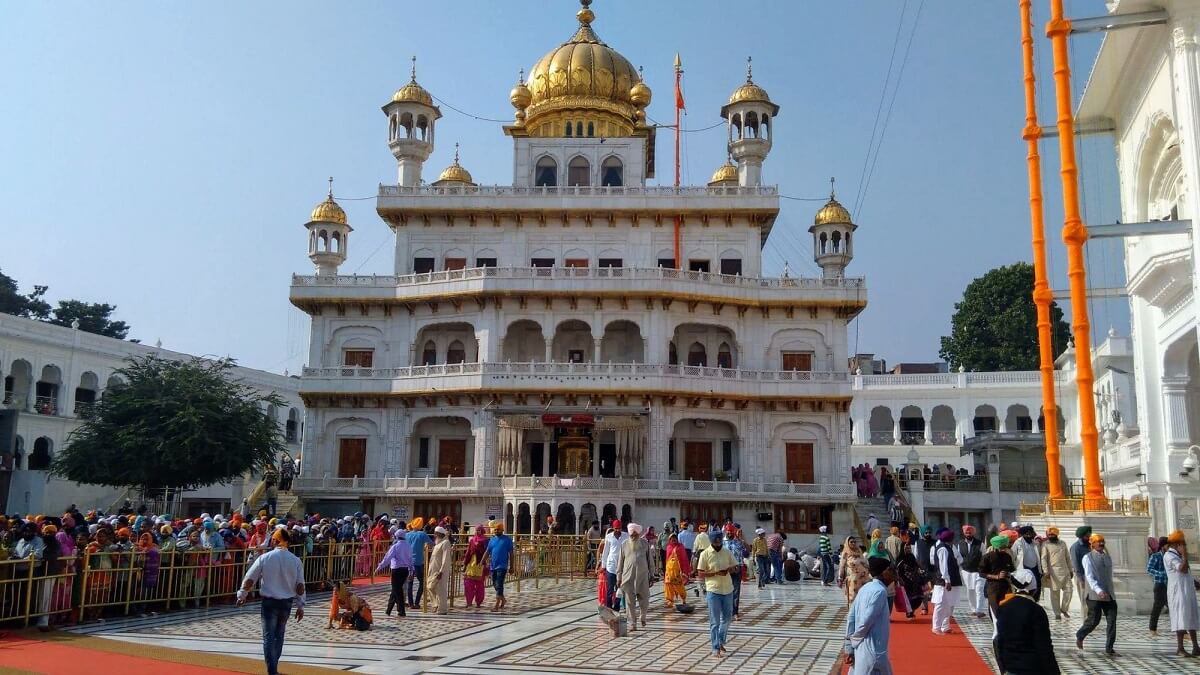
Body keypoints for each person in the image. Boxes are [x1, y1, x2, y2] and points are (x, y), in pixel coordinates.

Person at [236, 529, 306, 675]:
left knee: (268, 636)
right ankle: (274, 667)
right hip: (286, 603)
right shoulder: (295, 560)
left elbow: (250, 578)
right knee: (279, 634)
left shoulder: (265, 558)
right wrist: (300, 605)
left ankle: (272, 669)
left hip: (269, 602)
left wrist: (242, 595)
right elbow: (300, 586)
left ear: (275, 540)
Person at [993, 568, 1060, 675]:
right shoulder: (1036, 610)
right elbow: (1044, 646)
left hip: (1010, 668)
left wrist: (1003, 668)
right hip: (1032, 668)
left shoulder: (1003, 607)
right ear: (1034, 590)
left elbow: (998, 641)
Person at [844, 556, 894, 675]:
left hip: (863, 650)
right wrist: (854, 641)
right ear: (883, 572)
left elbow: (851, 617)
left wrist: (849, 647)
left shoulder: (865, 588)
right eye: (891, 569)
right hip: (873, 652)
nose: (894, 572)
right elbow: (865, 622)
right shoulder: (880, 592)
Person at [1075, 533, 1118, 657]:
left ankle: (1109, 648)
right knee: (1094, 620)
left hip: (1108, 593)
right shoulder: (1087, 557)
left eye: (1102, 541)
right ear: (1092, 544)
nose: (1101, 544)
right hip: (1094, 593)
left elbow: (1109, 575)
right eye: (1098, 542)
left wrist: (1108, 590)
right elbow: (1089, 576)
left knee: (1112, 619)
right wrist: (1099, 590)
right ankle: (1080, 635)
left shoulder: (1107, 557)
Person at [697, 531, 736, 657]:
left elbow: (736, 567)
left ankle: (721, 640)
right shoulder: (705, 554)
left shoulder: (726, 552)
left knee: (727, 618)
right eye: (715, 541)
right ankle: (715, 647)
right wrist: (715, 573)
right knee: (715, 622)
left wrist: (730, 569)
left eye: (720, 541)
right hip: (713, 590)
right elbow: (700, 574)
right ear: (712, 541)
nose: (718, 543)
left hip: (728, 589)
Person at [1163, 530, 1200, 656]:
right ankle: (1180, 648)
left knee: (1192, 616)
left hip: (1187, 590)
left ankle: (1196, 646)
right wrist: (1184, 555)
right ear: (1176, 544)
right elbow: (1182, 569)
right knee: (1181, 617)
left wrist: (1195, 583)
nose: (1185, 546)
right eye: (1183, 544)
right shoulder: (1169, 556)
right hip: (1178, 592)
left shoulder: (1178, 555)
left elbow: (1187, 573)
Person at [615, 523, 652, 631]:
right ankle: (632, 624)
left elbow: (650, 561)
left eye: (635, 535)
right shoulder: (624, 544)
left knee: (644, 599)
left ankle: (643, 616)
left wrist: (652, 575)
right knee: (630, 602)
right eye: (631, 535)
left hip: (643, 576)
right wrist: (618, 577)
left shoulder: (645, 544)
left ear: (639, 534)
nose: (633, 536)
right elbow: (620, 563)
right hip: (628, 577)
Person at [930, 527, 963, 635]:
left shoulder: (948, 547)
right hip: (943, 581)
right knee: (940, 603)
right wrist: (947, 580)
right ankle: (936, 626)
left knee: (948, 603)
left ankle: (944, 626)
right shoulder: (943, 549)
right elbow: (943, 566)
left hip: (949, 579)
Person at [374, 527, 413, 617]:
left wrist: (379, 568)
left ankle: (401, 610)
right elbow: (411, 560)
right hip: (405, 570)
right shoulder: (408, 546)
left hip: (397, 570)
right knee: (395, 590)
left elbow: (387, 558)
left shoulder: (395, 546)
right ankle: (389, 609)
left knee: (397, 590)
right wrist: (411, 571)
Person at [1039, 527, 1073, 621]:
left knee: (1069, 590)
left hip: (1065, 571)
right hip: (1053, 572)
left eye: (1052, 535)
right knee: (1055, 594)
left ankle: (1064, 609)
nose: (1050, 536)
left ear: (1056, 535)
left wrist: (1070, 570)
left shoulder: (1063, 543)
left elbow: (1067, 557)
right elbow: (1044, 559)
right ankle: (1057, 613)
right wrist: (1046, 571)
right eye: (1049, 535)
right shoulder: (1045, 545)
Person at [979, 534, 1015, 619]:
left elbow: (1012, 569)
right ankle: (997, 629)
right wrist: (996, 577)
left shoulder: (1007, 556)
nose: (1004, 549)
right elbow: (981, 573)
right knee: (995, 610)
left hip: (1006, 586)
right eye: (1001, 547)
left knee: (1007, 609)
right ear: (996, 546)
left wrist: (1008, 573)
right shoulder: (987, 557)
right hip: (993, 586)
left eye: (1004, 547)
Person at [484, 521, 513, 612]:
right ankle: (503, 599)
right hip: (493, 566)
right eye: (495, 530)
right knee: (495, 584)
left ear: (502, 530)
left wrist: (512, 566)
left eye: (498, 529)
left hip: (502, 566)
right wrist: (482, 561)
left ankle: (497, 604)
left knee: (499, 584)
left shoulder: (507, 540)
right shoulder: (492, 540)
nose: (496, 531)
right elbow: (487, 552)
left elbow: (511, 554)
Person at [895, 542, 928, 619]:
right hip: (905, 581)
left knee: (918, 598)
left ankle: (912, 611)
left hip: (915, 581)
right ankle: (909, 612)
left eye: (909, 548)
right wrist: (899, 579)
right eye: (906, 548)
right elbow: (897, 569)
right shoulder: (900, 558)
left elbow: (917, 565)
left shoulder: (912, 556)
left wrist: (921, 569)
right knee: (908, 598)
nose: (908, 549)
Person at [958, 524, 985, 618]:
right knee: (970, 591)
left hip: (978, 571)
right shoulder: (960, 543)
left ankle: (979, 610)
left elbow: (984, 557)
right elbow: (959, 557)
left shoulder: (980, 544)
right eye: (966, 532)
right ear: (964, 533)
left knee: (979, 590)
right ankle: (973, 609)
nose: (968, 534)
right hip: (966, 571)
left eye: (970, 532)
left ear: (973, 533)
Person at [1011, 526, 1042, 602]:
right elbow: (1013, 555)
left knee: (1037, 585)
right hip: (1023, 568)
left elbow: (1039, 556)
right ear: (1023, 534)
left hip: (1034, 568)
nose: (1029, 536)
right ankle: (1023, 601)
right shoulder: (1018, 542)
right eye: (1027, 534)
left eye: (1030, 534)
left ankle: (1034, 601)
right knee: (1023, 586)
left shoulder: (1035, 543)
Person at [405, 522, 432, 609]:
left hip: (408, 562)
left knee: (410, 582)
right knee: (422, 582)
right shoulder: (422, 534)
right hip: (418, 562)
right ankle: (416, 602)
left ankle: (410, 603)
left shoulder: (407, 535)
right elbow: (432, 543)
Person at [838, 536, 871, 605]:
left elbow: (865, 562)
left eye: (854, 542)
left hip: (863, 579)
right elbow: (842, 566)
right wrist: (840, 577)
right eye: (851, 542)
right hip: (853, 580)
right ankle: (853, 614)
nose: (853, 543)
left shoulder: (859, 551)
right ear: (847, 543)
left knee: (862, 598)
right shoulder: (845, 553)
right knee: (853, 598)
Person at [426, 526, 452, 615]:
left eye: (435, 533)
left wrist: (442, 571)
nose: (434, 535)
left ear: (440, 534)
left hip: (440, 571)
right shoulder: (437, 543)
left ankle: (442, 609)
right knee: (430, 586)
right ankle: (435, 604)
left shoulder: (445, 543)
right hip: (433, 570)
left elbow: (446, 559)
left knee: (440, 589)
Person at [462, 524, 489, 611]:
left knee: (479, 585)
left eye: (479, 530)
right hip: (471, 564)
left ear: (482, 531)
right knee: (468, 584)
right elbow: (468, 552)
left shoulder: (485, 541)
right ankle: (469, 602)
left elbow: (487, 552)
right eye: (476, 530)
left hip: (480, 565)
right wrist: (465, 564)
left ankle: (478, 602)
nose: (477, 532)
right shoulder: (472, 540)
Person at [602, 519, 626, 609]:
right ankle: (608, 607)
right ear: (613, 528)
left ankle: (616, 607)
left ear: (621, 528)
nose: (617, 530)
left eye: (619, 528)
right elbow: (605, 552)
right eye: (616, 528)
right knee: (610, 589)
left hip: (622, 566)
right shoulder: (609, 537)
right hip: (611, 566)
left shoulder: (626, 536)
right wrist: (603, 566)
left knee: (619, 588)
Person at [1147, 536, 1169, 636]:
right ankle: (1152, 628)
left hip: (1170, 585)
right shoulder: (1156, 556)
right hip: (1160, 585)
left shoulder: (1170, 556)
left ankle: (1183, 631)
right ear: (1163, 545)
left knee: (1175, 608)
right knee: (1157, 608)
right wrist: (1163, 574)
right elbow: (1149, 569)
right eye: (1167, 545)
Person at [1069, 526, 1091, 619]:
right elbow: (1076, 564)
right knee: (1084, 599)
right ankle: (1085, 620)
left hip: (1090, 575)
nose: (1088, 537)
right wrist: (1081, 579)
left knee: (1091, 599)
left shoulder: (1090, 545)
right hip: (1081, 576)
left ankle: (1091, 618)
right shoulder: (1075, 547)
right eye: (1087, 536)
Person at [663, 532, 691, 608]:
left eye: (675, 538)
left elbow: (684, 559)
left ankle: (683, 599)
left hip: (677, 570)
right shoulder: (668, 547)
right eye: (672, 538)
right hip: (669, 570)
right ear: (670, 540)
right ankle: (669, 601)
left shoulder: (680, 547)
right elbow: (667, 559)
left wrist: (684, 570)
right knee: (668, 585)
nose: (674, 540)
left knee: (679, 585)